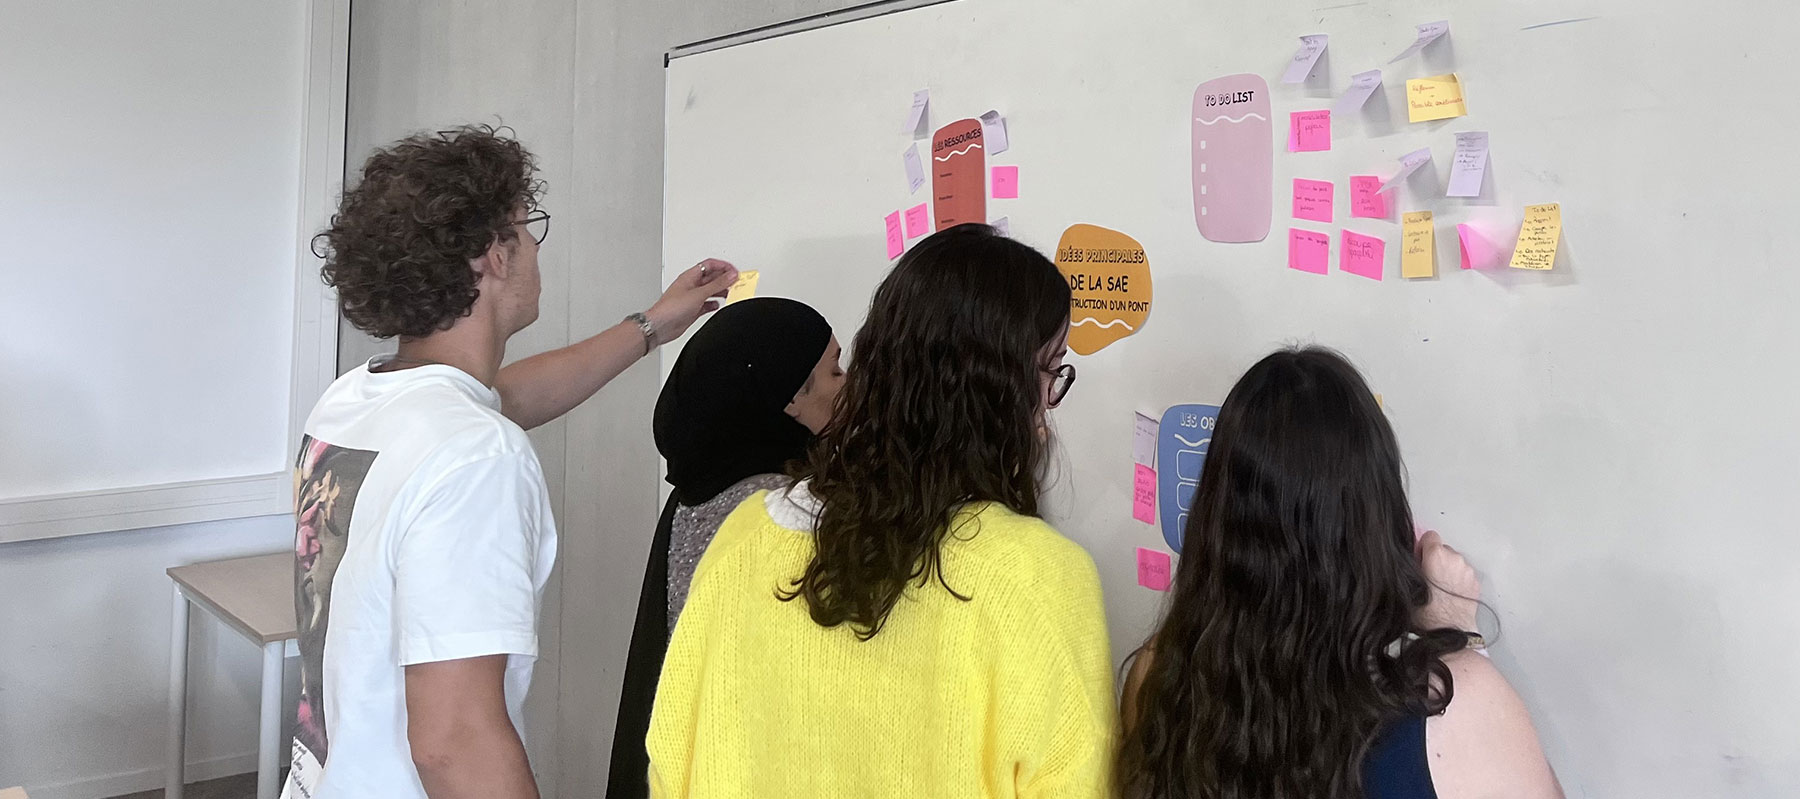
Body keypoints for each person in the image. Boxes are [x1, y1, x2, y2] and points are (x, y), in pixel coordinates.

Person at [287, 124, 737, 799]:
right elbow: (455, 742)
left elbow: (508, 395)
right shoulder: (475, 454)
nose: (533, 248)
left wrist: (653, 325)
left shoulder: (356, 400)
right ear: (496, 254)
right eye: (528, 228)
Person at [646, 223, 1113, 798]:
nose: (1049, 400)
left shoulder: (746, 534)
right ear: (1002, 388)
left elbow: (671, 762)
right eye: (1050, 368)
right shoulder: (1041, 574)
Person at [1116, 347, 1562, 799]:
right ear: (1379, 521)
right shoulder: (1454, 703)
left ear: (1214, 518)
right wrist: (1459, 632)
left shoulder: (1159, 678)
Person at [606, 297, 843, 799]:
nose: (850, 387)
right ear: (791, 399)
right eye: (835, 371)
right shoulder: (780, 513)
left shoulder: (697, 491)